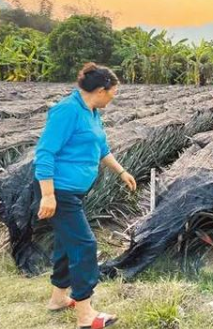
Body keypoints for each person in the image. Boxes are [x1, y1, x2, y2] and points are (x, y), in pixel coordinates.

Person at [33, 62, 137, 329]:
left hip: (74, 192)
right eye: (114, 92)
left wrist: (121, 171)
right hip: (60, 192)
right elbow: (45, 153)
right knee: (84, 246)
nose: (114, 97)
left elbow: (101, 147)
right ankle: (86, 315)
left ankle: (58, 299)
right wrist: (48, 195)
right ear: (101, 90)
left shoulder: (91, 111)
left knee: (67, 244)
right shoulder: (67, 111)